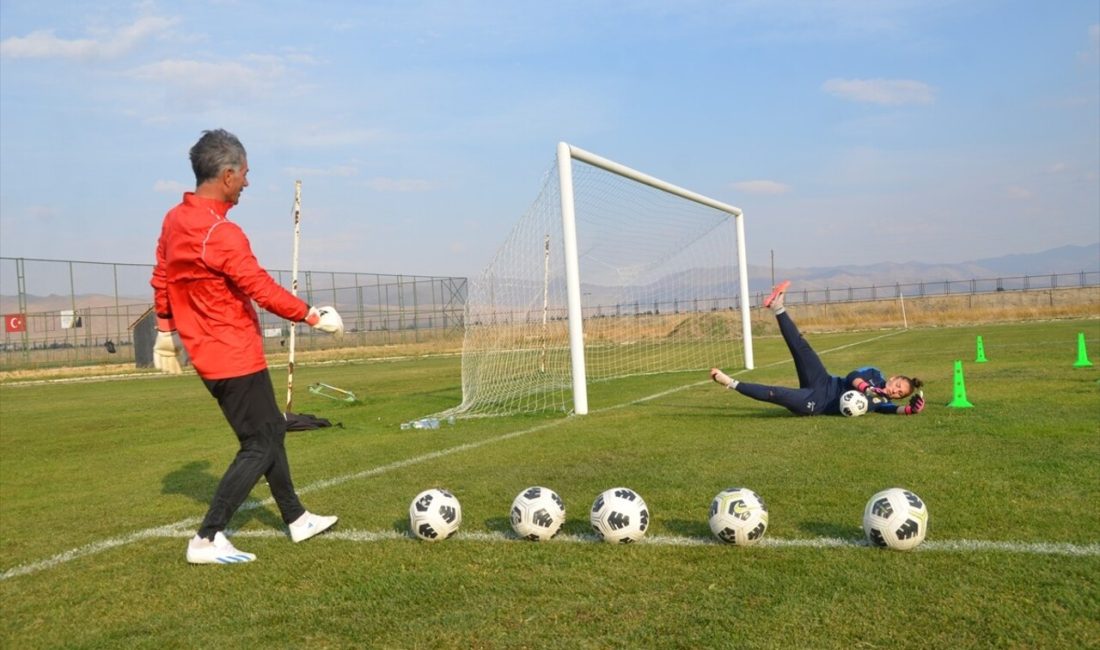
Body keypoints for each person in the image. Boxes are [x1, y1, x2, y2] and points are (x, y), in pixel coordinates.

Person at [151, 129, 345, 564]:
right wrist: (312, 315)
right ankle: (207, 537)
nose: (248, 183)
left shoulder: (174, 220)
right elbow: (259, 286)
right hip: (233, 354)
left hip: (211, 356)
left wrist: (167, 330)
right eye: (245, 175)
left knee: (270, 430)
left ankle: (296, 518)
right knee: (258, 444)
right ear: (226, 175)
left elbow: (162, 274)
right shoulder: (221, 233)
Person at [710, 280, 925, 417]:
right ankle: (777, 306)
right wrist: (865, 389)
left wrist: (911, 409)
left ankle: (731, 382)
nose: (895, 391)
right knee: (801, 347)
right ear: (894, 377)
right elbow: (852, 376)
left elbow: (894, 410)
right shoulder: (874, 373)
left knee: (775, 394)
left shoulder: (881, 403)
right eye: (898, 385)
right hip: (824, 381)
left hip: (818, 403)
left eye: (899, 393)